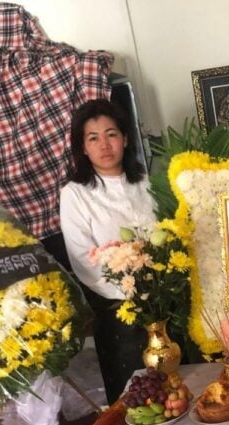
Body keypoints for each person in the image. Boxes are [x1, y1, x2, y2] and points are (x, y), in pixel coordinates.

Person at [59, 98, 155, 405]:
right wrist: (133, 292)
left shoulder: (146, 182)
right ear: (82, 148)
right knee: (136, 402)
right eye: (93, 137)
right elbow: (83, 260)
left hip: (164, 306)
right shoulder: (75, 194)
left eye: (111, 134)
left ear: (125, 139)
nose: (105, 144)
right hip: (118, 315)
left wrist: (160, 290)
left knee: (178, 390)